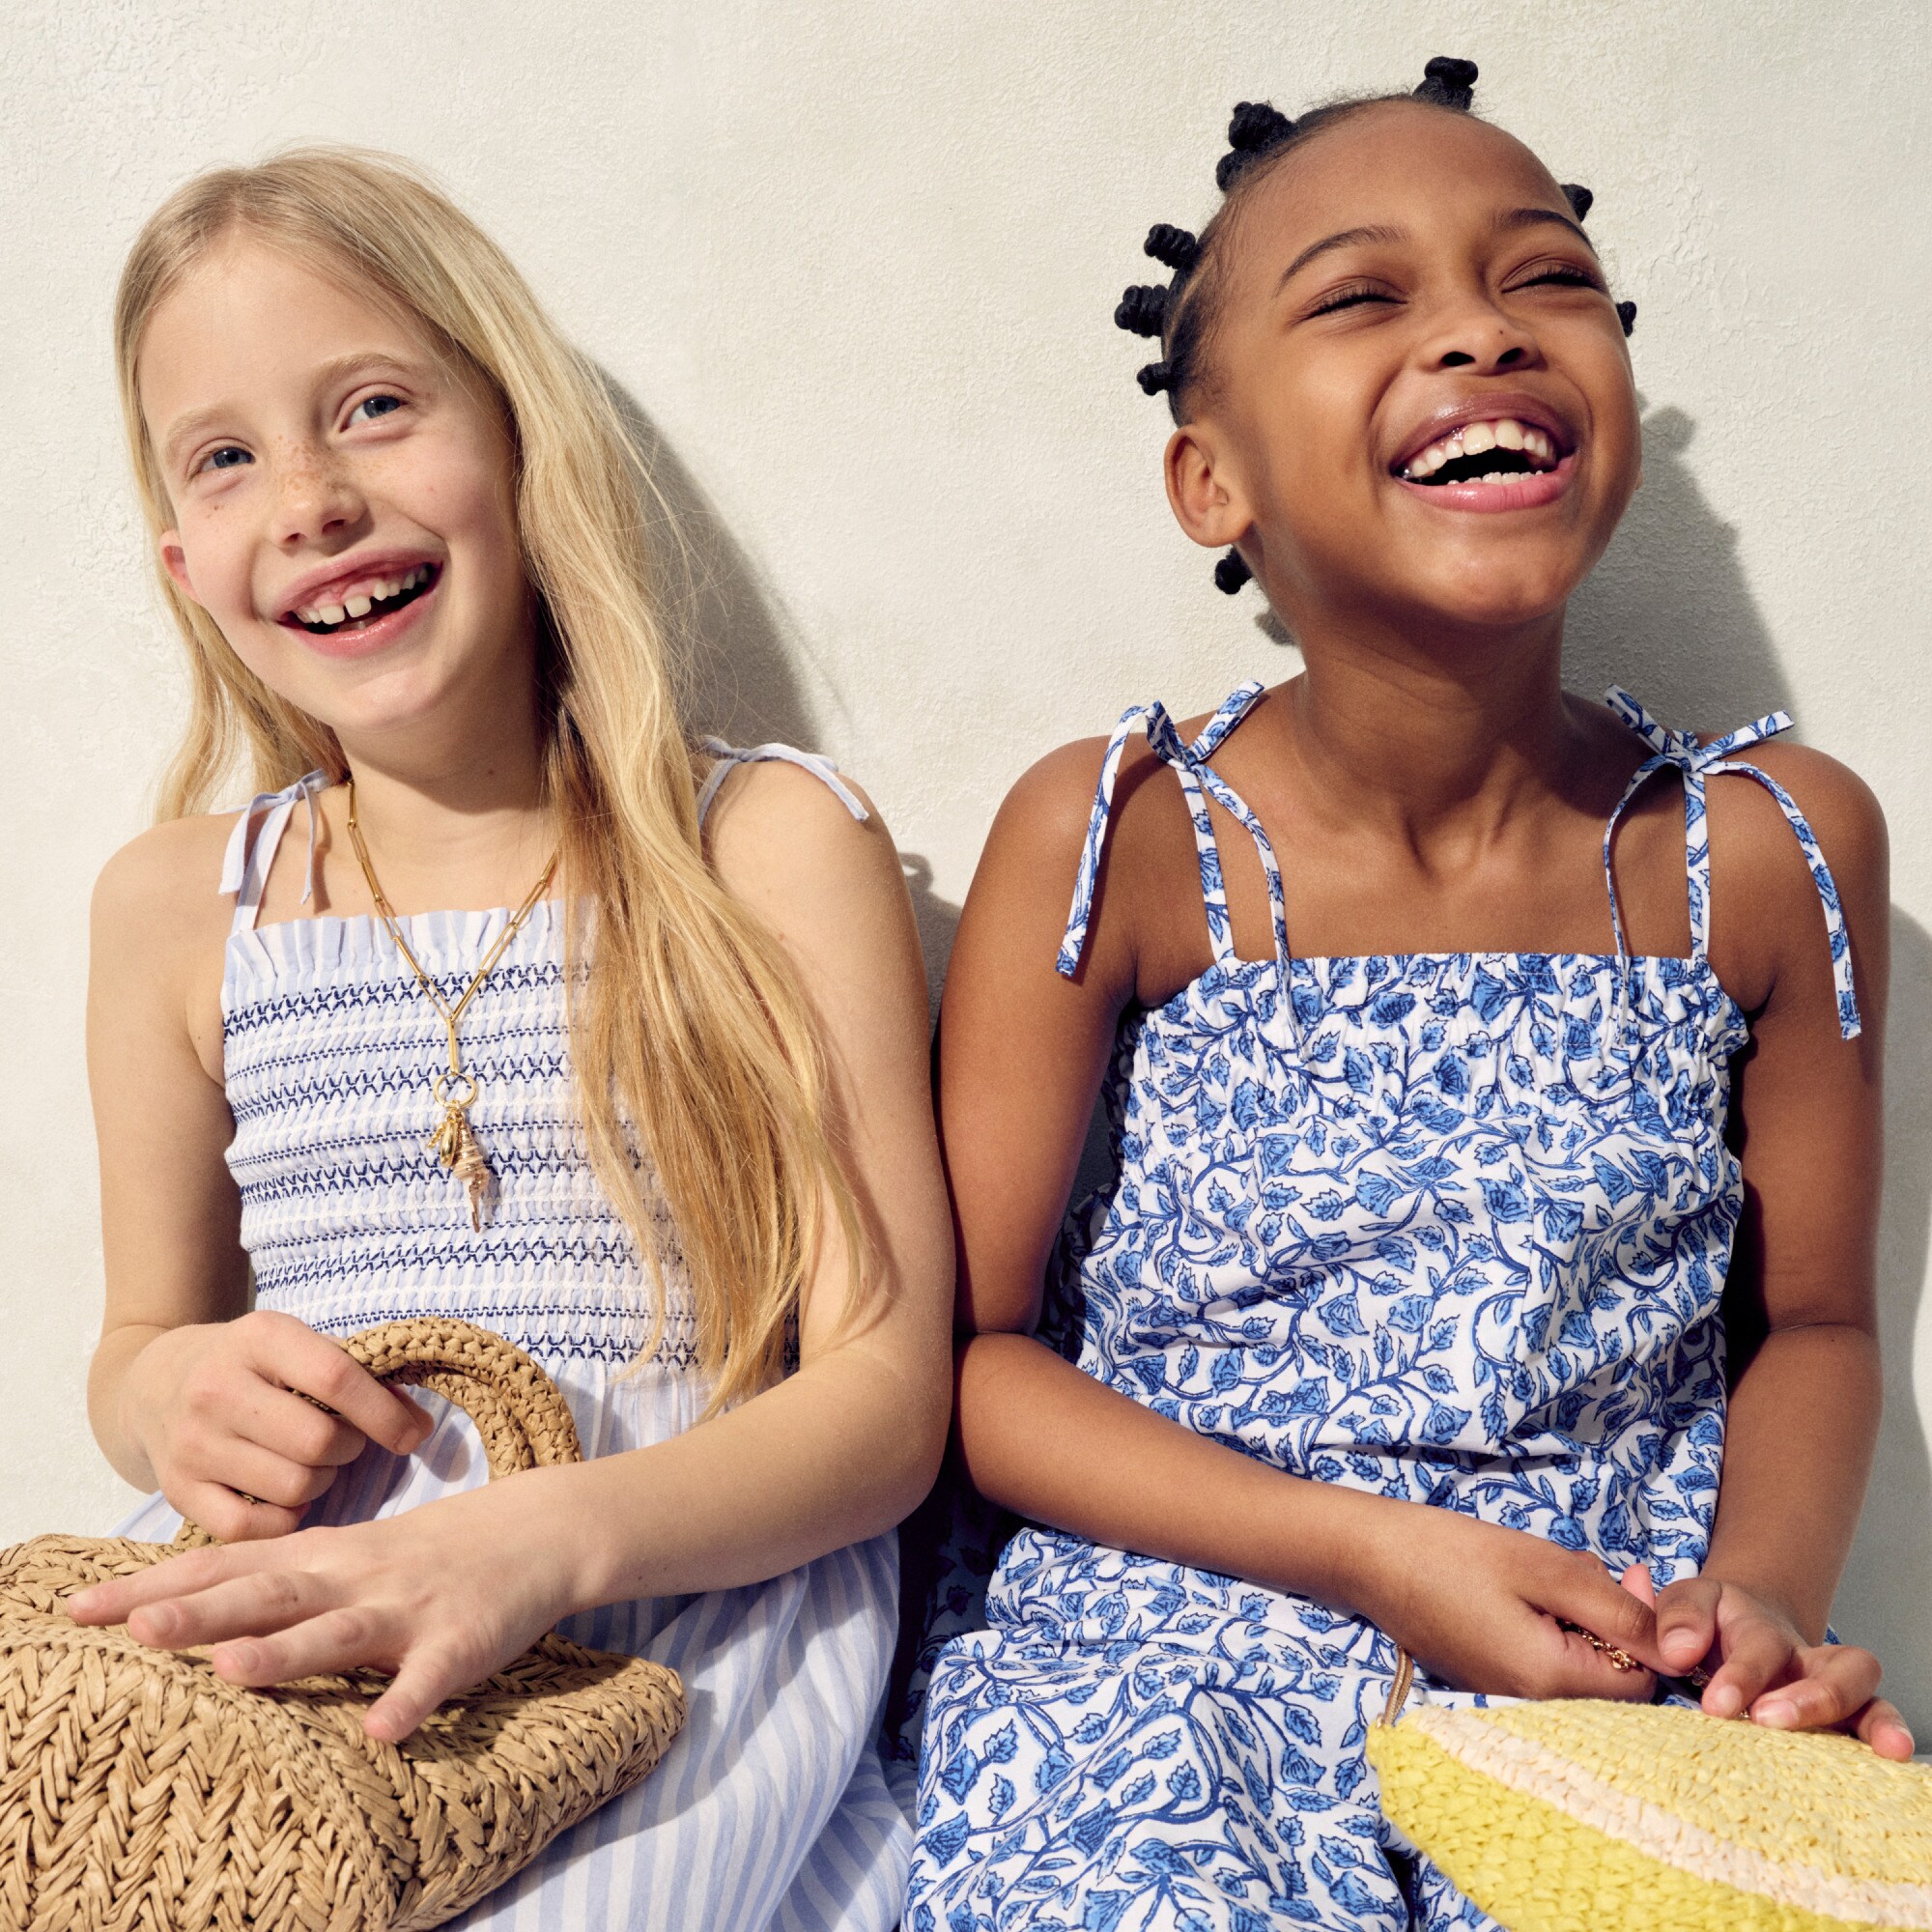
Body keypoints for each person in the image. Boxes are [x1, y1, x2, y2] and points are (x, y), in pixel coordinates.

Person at [901, 57, 1912, 1932]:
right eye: (1365, 297)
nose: (1481, 335)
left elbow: (1821, 1319)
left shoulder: (1762, 849)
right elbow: (974, 1359)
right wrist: (1370, 1554)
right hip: (1158, 1651)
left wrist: (1758, 1602)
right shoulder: (1121, 835)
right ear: (1213, 477)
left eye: (1542, 282)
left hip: (1615, 1657)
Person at [67, 146, 952, 1931]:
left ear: (517, 442)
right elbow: (140, 1337)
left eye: (374, 408)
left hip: (676, 1644)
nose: (307, 498)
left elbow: (885, 1388)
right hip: (305, 1662)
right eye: (225, 458)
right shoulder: (177, 906)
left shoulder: (758, 850)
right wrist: (169, 1399)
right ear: (184, 562)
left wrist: (544, 1541)